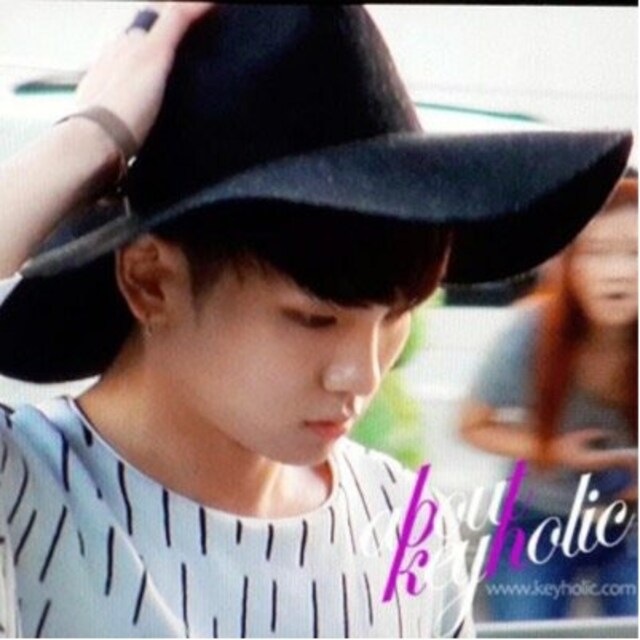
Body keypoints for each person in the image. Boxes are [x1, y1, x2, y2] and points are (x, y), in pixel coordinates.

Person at [0, 4, 632, 637]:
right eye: (314, 318)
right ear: (151, 280)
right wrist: (88, 140)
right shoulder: (27, 488)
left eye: (397, 316)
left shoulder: (407, 523)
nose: (362, 374)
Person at [460, 175, 638, 621]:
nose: (618, 271)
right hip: (537, 514)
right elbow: (472, 424)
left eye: (635, 253)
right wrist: (552, 450)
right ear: (570, 264)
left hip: (629, 520)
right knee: (526, 628)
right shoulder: (532, 333)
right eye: (598, 251)